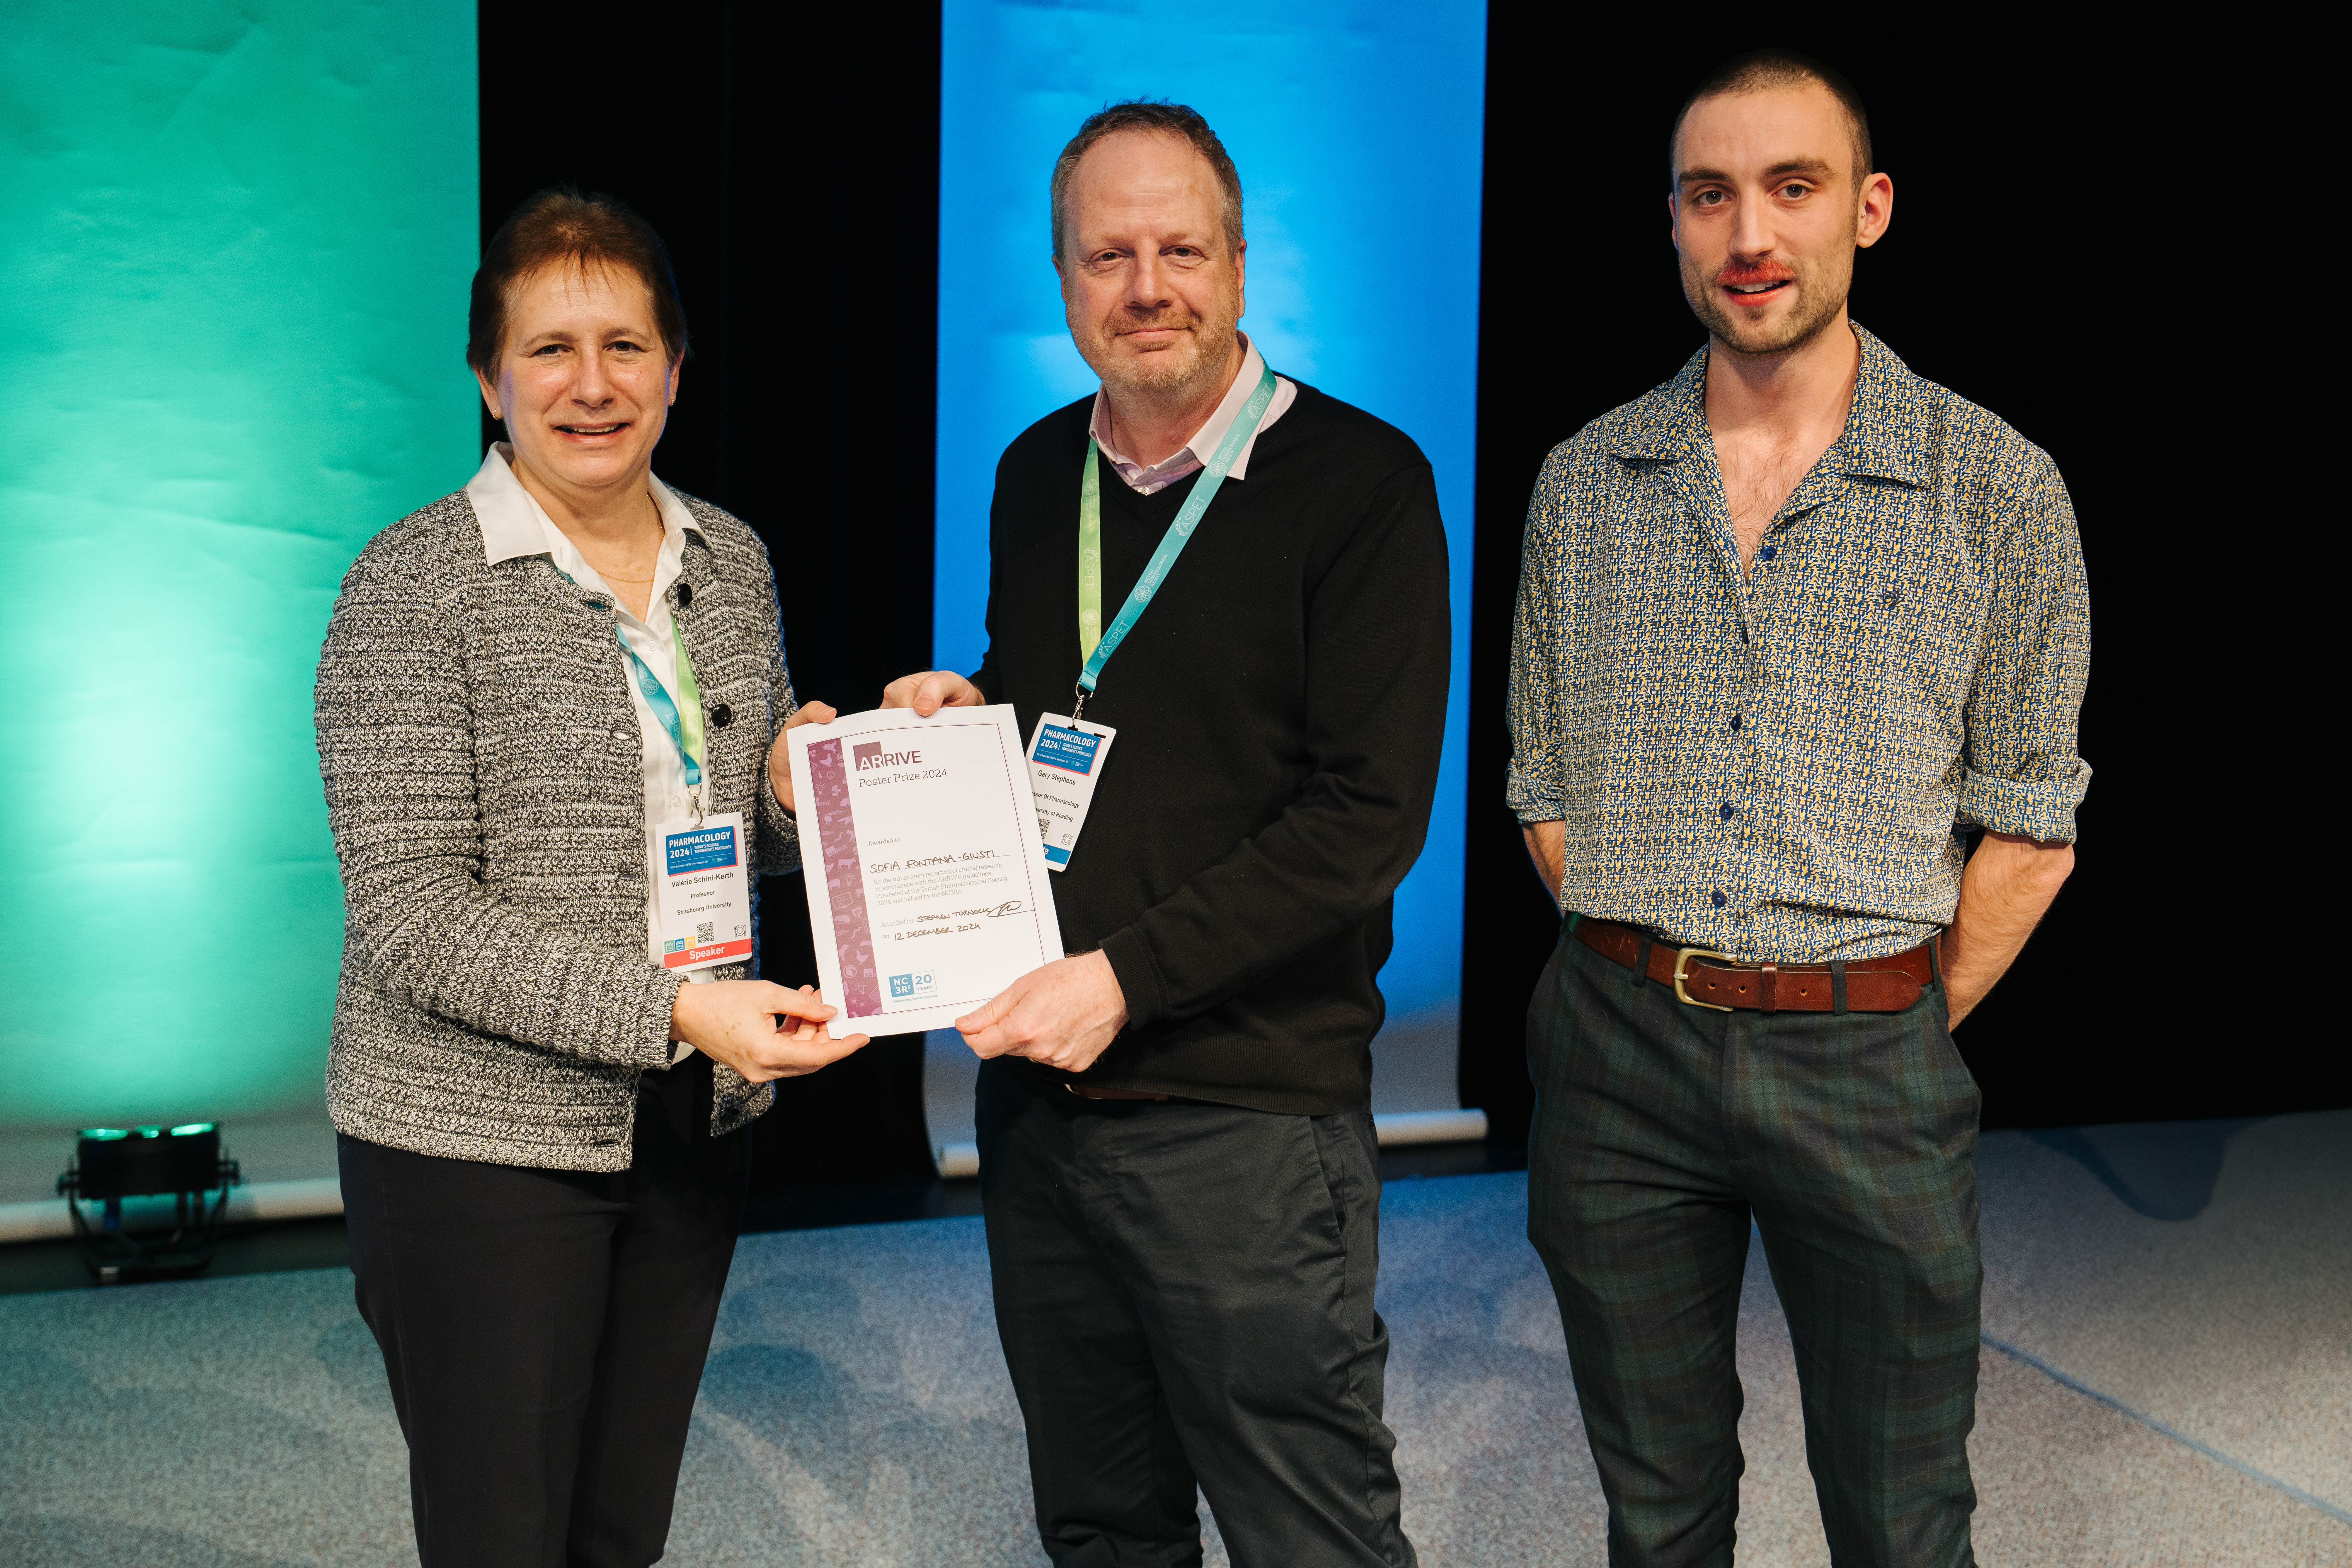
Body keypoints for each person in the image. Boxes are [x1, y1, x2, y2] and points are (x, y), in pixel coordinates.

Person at [1506, 50, 2089, 1567]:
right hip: (1618, 1048)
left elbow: (2031, 817)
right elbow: (1544, 786)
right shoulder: (1586, 481)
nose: (1748, 232)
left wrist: (1885, 1009)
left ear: (1870, 209)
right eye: (1711, 195)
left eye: (1792, 187)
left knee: (1903, 1520)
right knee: (1658, 1509)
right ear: (1677, 225)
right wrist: (1663, 965)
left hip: (1868, 1053)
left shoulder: (1996, 486)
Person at [883, 102, 1448, 1566]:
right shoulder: (1031, 474)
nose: (1148, 287)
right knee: (1102, 1526)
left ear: (1242, 265)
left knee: (1308, 1532)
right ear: (1064, 278)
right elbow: (1086, 710)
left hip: (1245, 1124)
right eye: (1108, 254)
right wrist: (971, 715)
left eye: (1181, 249)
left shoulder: (1364, 488)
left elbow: (1363, 821)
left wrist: (1122, 980)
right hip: (1043, 1119)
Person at [313, 188, 866, 1568]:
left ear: (677, 368)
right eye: (550, 348)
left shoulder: (728, 560)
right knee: (506, 1533)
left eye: (627, 345)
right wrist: (679, 1010)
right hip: (474, 1144)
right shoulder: (413, 583)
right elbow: (415, 921)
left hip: (687, 1125)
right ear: (487, 377)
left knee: (621, 1528)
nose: (592, 383)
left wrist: (806, 786)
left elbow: (732, 815)